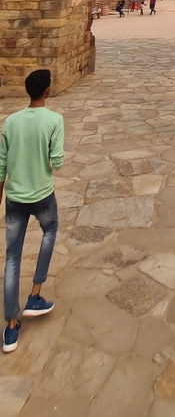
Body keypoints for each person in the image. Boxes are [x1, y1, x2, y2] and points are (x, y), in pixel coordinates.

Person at [0, 69, 64, 353]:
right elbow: (58, 162)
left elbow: (1, 163)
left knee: (12, 256)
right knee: (49, 230)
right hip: (41, 195)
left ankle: (11, 327)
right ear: (47, 91)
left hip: (14, 196)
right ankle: (35, 294)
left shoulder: (10, 122)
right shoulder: (53, 120)